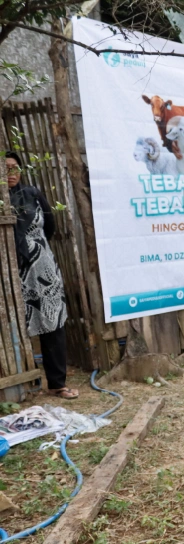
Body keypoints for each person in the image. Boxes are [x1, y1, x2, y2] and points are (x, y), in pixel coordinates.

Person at [7, 152, 77, 399]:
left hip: (42, 269)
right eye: (4, 170)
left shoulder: (32, 195)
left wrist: (34, 251)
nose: (11, 174)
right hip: (10, 273)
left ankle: (57, 383)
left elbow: (50, 227)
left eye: (14, 168)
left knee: (52, 322)